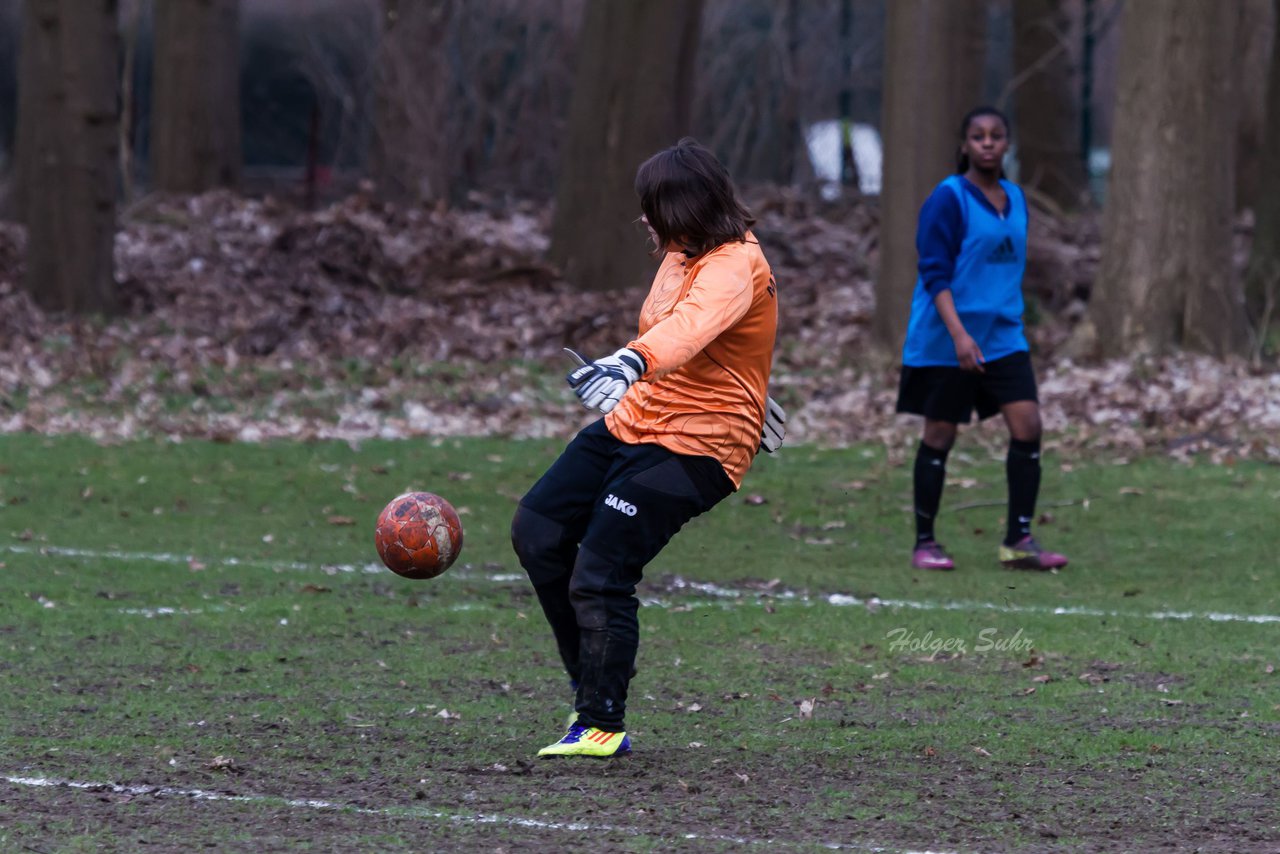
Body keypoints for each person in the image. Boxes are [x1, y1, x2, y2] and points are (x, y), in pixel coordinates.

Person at [510, 138, 783, 757]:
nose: (644, 219)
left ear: (684, 209)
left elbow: (693, 325)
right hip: (639, 417)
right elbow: (685, 330)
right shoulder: (680, 251)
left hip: (702, 443)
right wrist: (623, 372)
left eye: (652, 206)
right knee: (538, 530)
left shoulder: (736, 263)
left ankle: (601, 722)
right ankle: (597, 675)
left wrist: (631, 362)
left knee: (602, 571)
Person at [896, 106, 1067, 572]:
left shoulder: (1015, 197)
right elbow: (933, 272)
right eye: (978, 136)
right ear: (965, 145)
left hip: (1003, 336)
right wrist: (959, 334)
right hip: (947, 337)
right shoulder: (948, 199)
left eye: (996, 135)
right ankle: (925, 543)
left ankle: (1019, 540)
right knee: (940, 432)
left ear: (1007, 144)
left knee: (1028, 424)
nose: (988, 143)